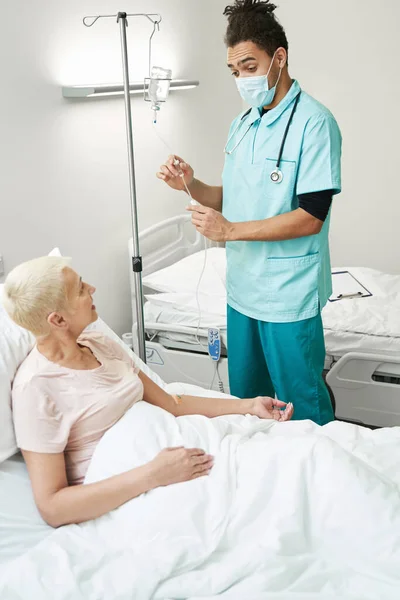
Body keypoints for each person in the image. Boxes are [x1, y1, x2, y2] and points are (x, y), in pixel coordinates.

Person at [2, 256, 293, 528]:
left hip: (182, 452)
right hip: (145, 488)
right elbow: (53, 508)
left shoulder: (99, 343)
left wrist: (249, 406)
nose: (92, 288)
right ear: (58, 320)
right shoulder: (36, 388)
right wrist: (154, 475)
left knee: (290, 465)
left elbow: (171, 403)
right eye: (80, 289)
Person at [157, 0, 342, 426]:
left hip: (288, 294)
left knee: (303, 410)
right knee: (249, 408)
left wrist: (229, 230)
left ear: (279, 57)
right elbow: (233, 196)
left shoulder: (314, 123)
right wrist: (189, 183)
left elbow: (311, 215)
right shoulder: (243, 124)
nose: (242, 78)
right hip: (242, 293)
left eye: (249, 65)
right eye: (235, 71)